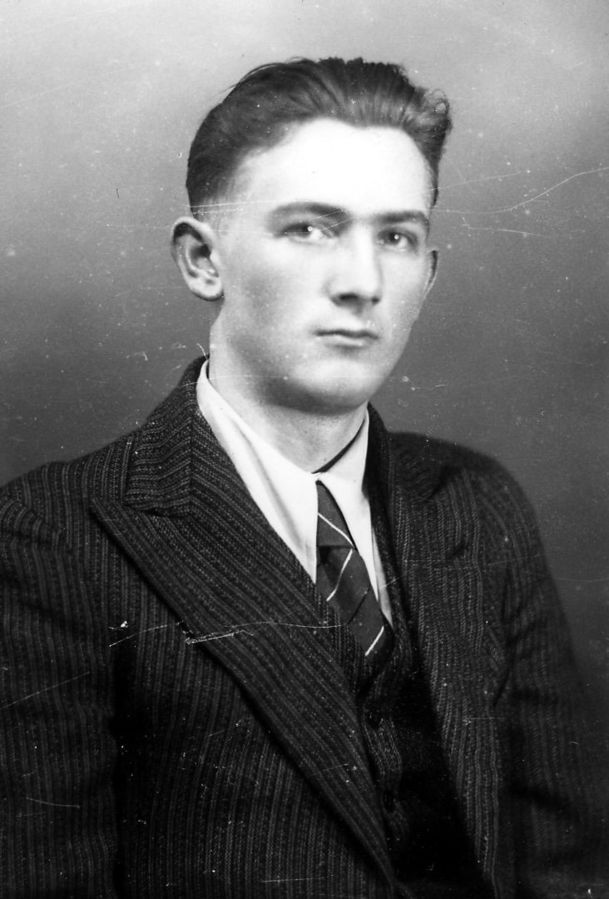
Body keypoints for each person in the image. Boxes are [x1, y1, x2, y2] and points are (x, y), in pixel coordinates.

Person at [0, 57, 604, 898]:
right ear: (202, 261)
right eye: (310, 229)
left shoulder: (476, 502)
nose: (361, 283)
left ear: (428, 274)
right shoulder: (50, 535)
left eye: (395, 237)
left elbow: (567, 862)